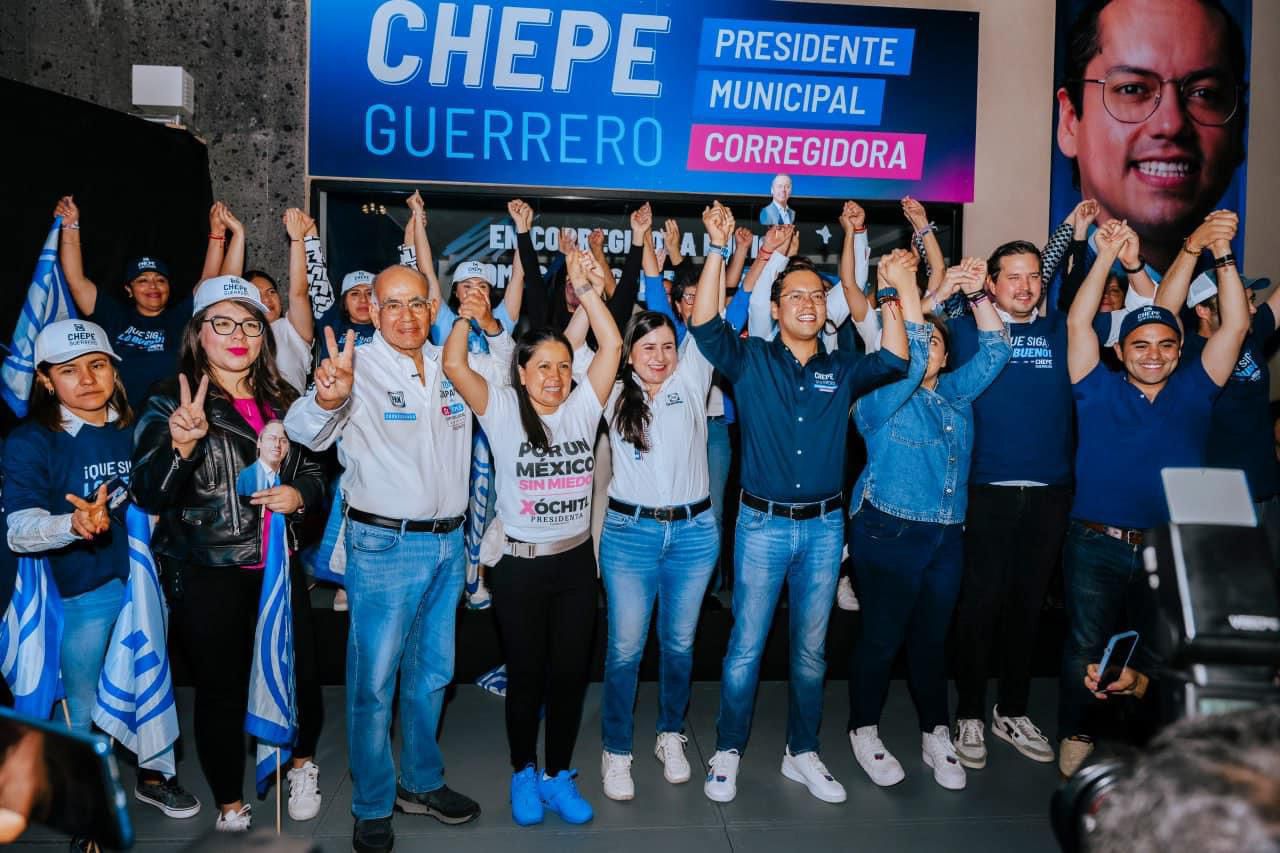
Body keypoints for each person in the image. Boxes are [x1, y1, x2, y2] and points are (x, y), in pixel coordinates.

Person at [688, 202, 910, 805]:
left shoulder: (843, 368)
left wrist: (889, 292)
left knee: (811, 652)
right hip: (760, 525)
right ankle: (728, 749)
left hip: (824, 529)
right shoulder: (751, 360)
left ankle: (802, 751)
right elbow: (705, 326)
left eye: (817, 295)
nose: (808, 303)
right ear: (777, 306)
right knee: (745, 648)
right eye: (795, 296)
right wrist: (718, 251)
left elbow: (896, 359)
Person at [285, 265, 504, 853]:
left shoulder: (454, 362)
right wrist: (327, 397)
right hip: (383, 546)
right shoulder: (356, 367)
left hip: (449, 543)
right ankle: (373, 803)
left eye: (417, 304)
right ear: (374, 311)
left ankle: (421, 783)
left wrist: (490, 326)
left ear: (433, 309)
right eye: (392, 305)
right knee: (374, 683)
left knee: (433, 674)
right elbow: (305, 430)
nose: (406, 316)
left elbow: (510, 388)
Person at [131, 275, 327, 832]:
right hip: (208, 569)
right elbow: (148, 492)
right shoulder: (168, 398)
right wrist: (181, 446)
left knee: (299, 673)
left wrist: (300, 494)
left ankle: (302, 765)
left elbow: (314, 470)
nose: (238, 335)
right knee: (220, 687)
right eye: (223, 323)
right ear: (199, 332)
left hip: (279, 566)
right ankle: (228, 800)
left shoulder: (284, 398)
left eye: (250, 325)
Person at [1057, 217, 1249, 777]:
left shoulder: (1196, 389)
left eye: (1166, 344)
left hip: (1167, 546)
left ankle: (1154, 743)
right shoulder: (1094, 385)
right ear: (1120, 350)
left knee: (1161, 649)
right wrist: (1106, 255)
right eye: (1140, 344)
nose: (1153, 354)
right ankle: (1078, 730)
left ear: (1180, 349)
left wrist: (1222, 253)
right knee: (1085, 644)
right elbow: (1078, 320)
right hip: (1095, 541)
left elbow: (1237, 324)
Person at [443, 247, 621, 828]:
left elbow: (611, 346)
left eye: (563, 366)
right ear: (520, 373)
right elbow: (454, 366)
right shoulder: (500, 408)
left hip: (575, 567)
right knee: (526, 677)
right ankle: (523, 771)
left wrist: (587, 290)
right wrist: (467, 313)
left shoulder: (582, 409)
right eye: (542, 366)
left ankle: (558, 775)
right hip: (519, 568)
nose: (554, 377)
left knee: (569, 677)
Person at [2, 319, 201, 820]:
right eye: (69, 370)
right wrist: (73, 523)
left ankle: (155, 777)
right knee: (84, 702)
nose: (88, 379)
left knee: (151, 680)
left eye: (97, 365)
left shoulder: (142, 424)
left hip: (146, 582)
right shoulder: (31, 441)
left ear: (114, 368)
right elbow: (18, 528)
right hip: (80, 592)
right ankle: (87, 809)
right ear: (47, 380)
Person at [847, 253, 1010, 792]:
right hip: (888, 532)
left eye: (939, 342)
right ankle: (863, 729)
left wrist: (979, 293)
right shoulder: (877, 399)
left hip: (946, 535)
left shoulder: (956, 394)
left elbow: (997, 349)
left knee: (931, 639)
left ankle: (934, 732)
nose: (929, 348)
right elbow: (911, 361)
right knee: (881, 638)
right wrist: (906, 290)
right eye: (925, 340)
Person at [949, 240, 1078, 771]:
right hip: (985, 490)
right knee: (979, 607)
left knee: (1027, 608)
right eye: (1014, 277)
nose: (1026, 287)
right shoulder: (965, 333)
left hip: (1050, 493)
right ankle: (970, 714)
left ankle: (1013, 710)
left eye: (1034, 277)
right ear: (993, 283)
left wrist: (1078, 235)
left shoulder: (1060, 330)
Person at [598, 304, 720, 801]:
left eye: (669, 346)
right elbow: (595, 340)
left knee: (679, 644)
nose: (660, 356)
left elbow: (708, 311)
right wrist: (587, 288)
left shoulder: (690, 381)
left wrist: (719, 259)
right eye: (648, 347)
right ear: (628, 353)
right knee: (625, 649)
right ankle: (616, 749)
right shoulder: (611, 393)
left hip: (693, 535)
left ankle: (670, 733)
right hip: (630, 535)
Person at [1055, 0, 1249, 273]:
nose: (1171, 124)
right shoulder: (1037, 285)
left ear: (1239, 126)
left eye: (1204, 93)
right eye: (1132, 89)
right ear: (1070, 121)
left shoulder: (1237, 291)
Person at [1141, 210, 1280, 564]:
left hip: (1264, 489)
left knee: (1264, 590)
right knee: (1222, 589)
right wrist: (1195, 246)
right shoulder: (1185, 352)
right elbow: (1164, 309)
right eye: (1242, 299)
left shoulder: (1253, 335)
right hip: (1214, 495)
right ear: (1203, 310)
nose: (1251, 308)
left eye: (1251, 299)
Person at [52, 196, 206, 405]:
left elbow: (208, 282)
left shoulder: (180, 317)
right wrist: (70, 226)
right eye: (142, 280)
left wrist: (218, 234)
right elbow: (75, 280)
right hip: (121, 417)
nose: (153, 286)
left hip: (170, 417)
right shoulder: (114, 316)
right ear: (129, 290)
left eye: (160, 280)